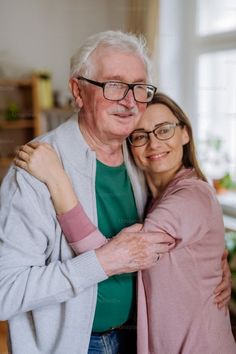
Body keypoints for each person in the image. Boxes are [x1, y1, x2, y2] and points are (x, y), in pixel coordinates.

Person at [0, 30, 231, 354]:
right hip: (77, 346)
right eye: (114, 85)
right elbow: (4, 292)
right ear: (78, 91)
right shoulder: (36, 169)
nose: (129, 100)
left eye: (139, 87)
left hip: (143, 338)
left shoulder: (143, 154)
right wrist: (102, 262)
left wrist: (213, 264)